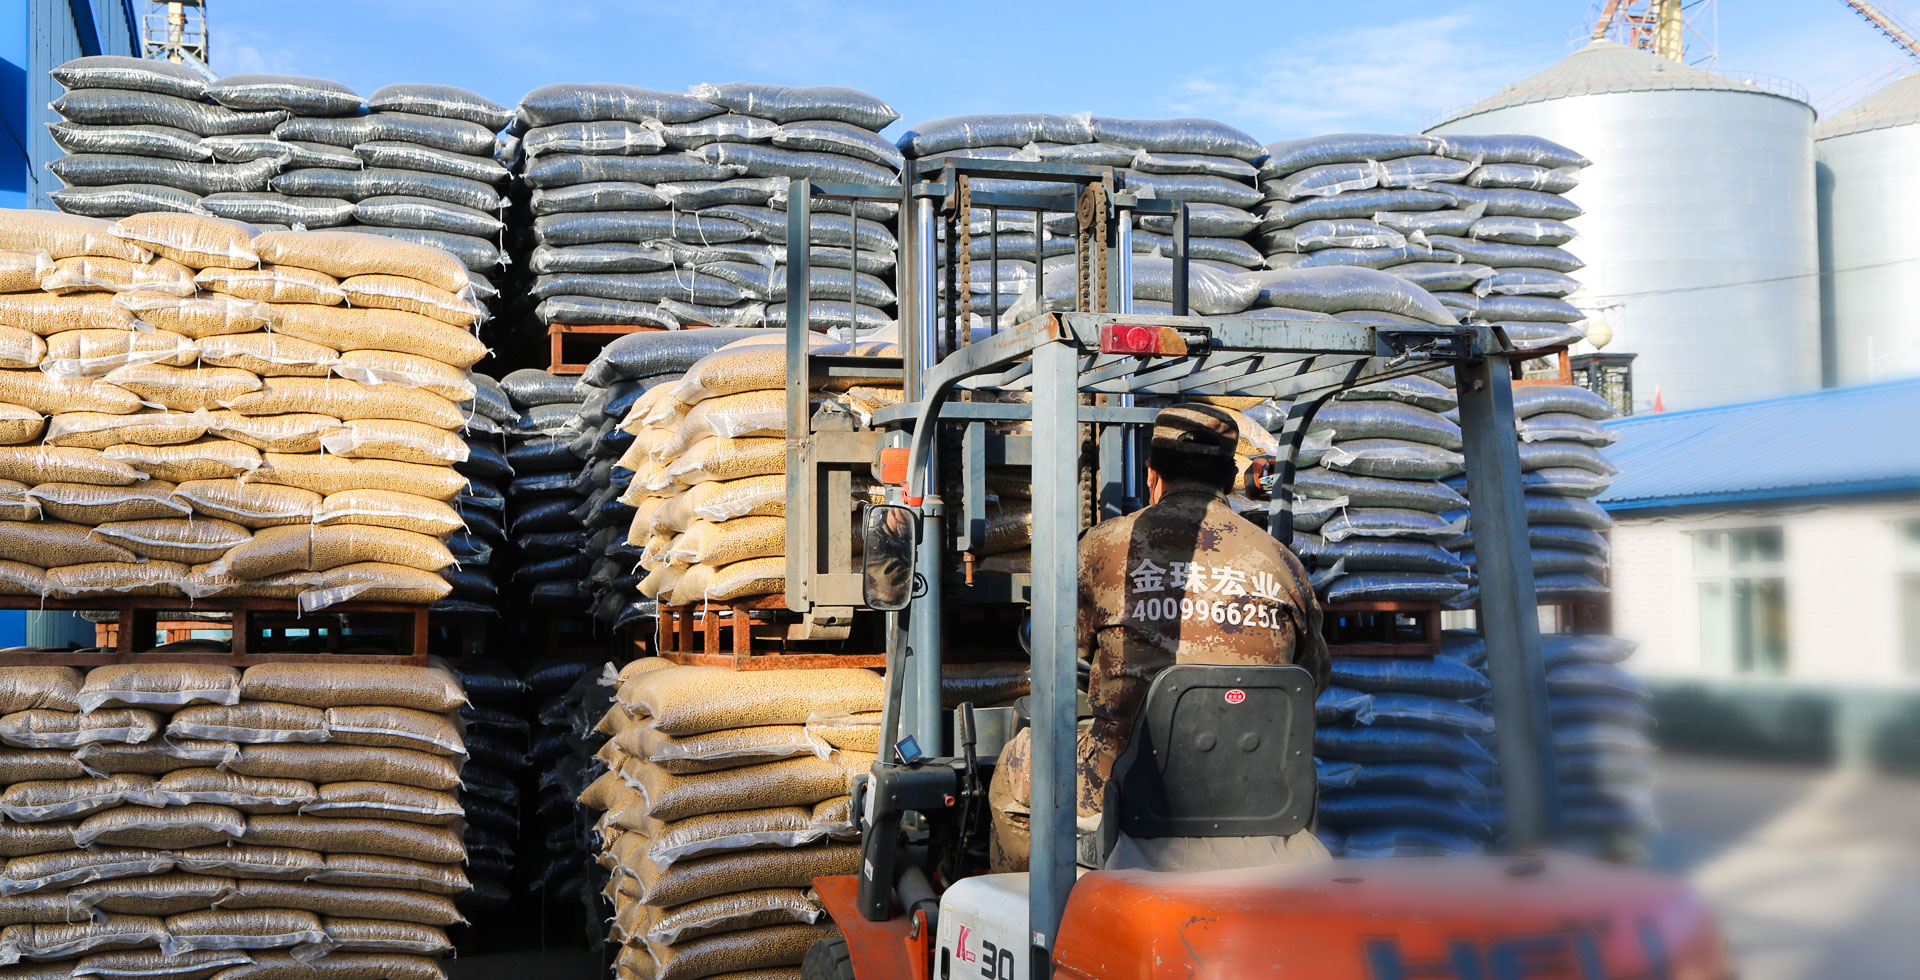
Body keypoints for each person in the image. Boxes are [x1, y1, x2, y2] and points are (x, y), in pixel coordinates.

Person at [987, 404, 1329, 871]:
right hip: (1256, 787)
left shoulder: (1104, 547)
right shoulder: (1282, 561)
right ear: (1230, 477)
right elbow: (1311, 680)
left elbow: (1056, 653)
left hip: (1129, 785)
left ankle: (1046, 907)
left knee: (1017, 760)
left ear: (1152, 474)